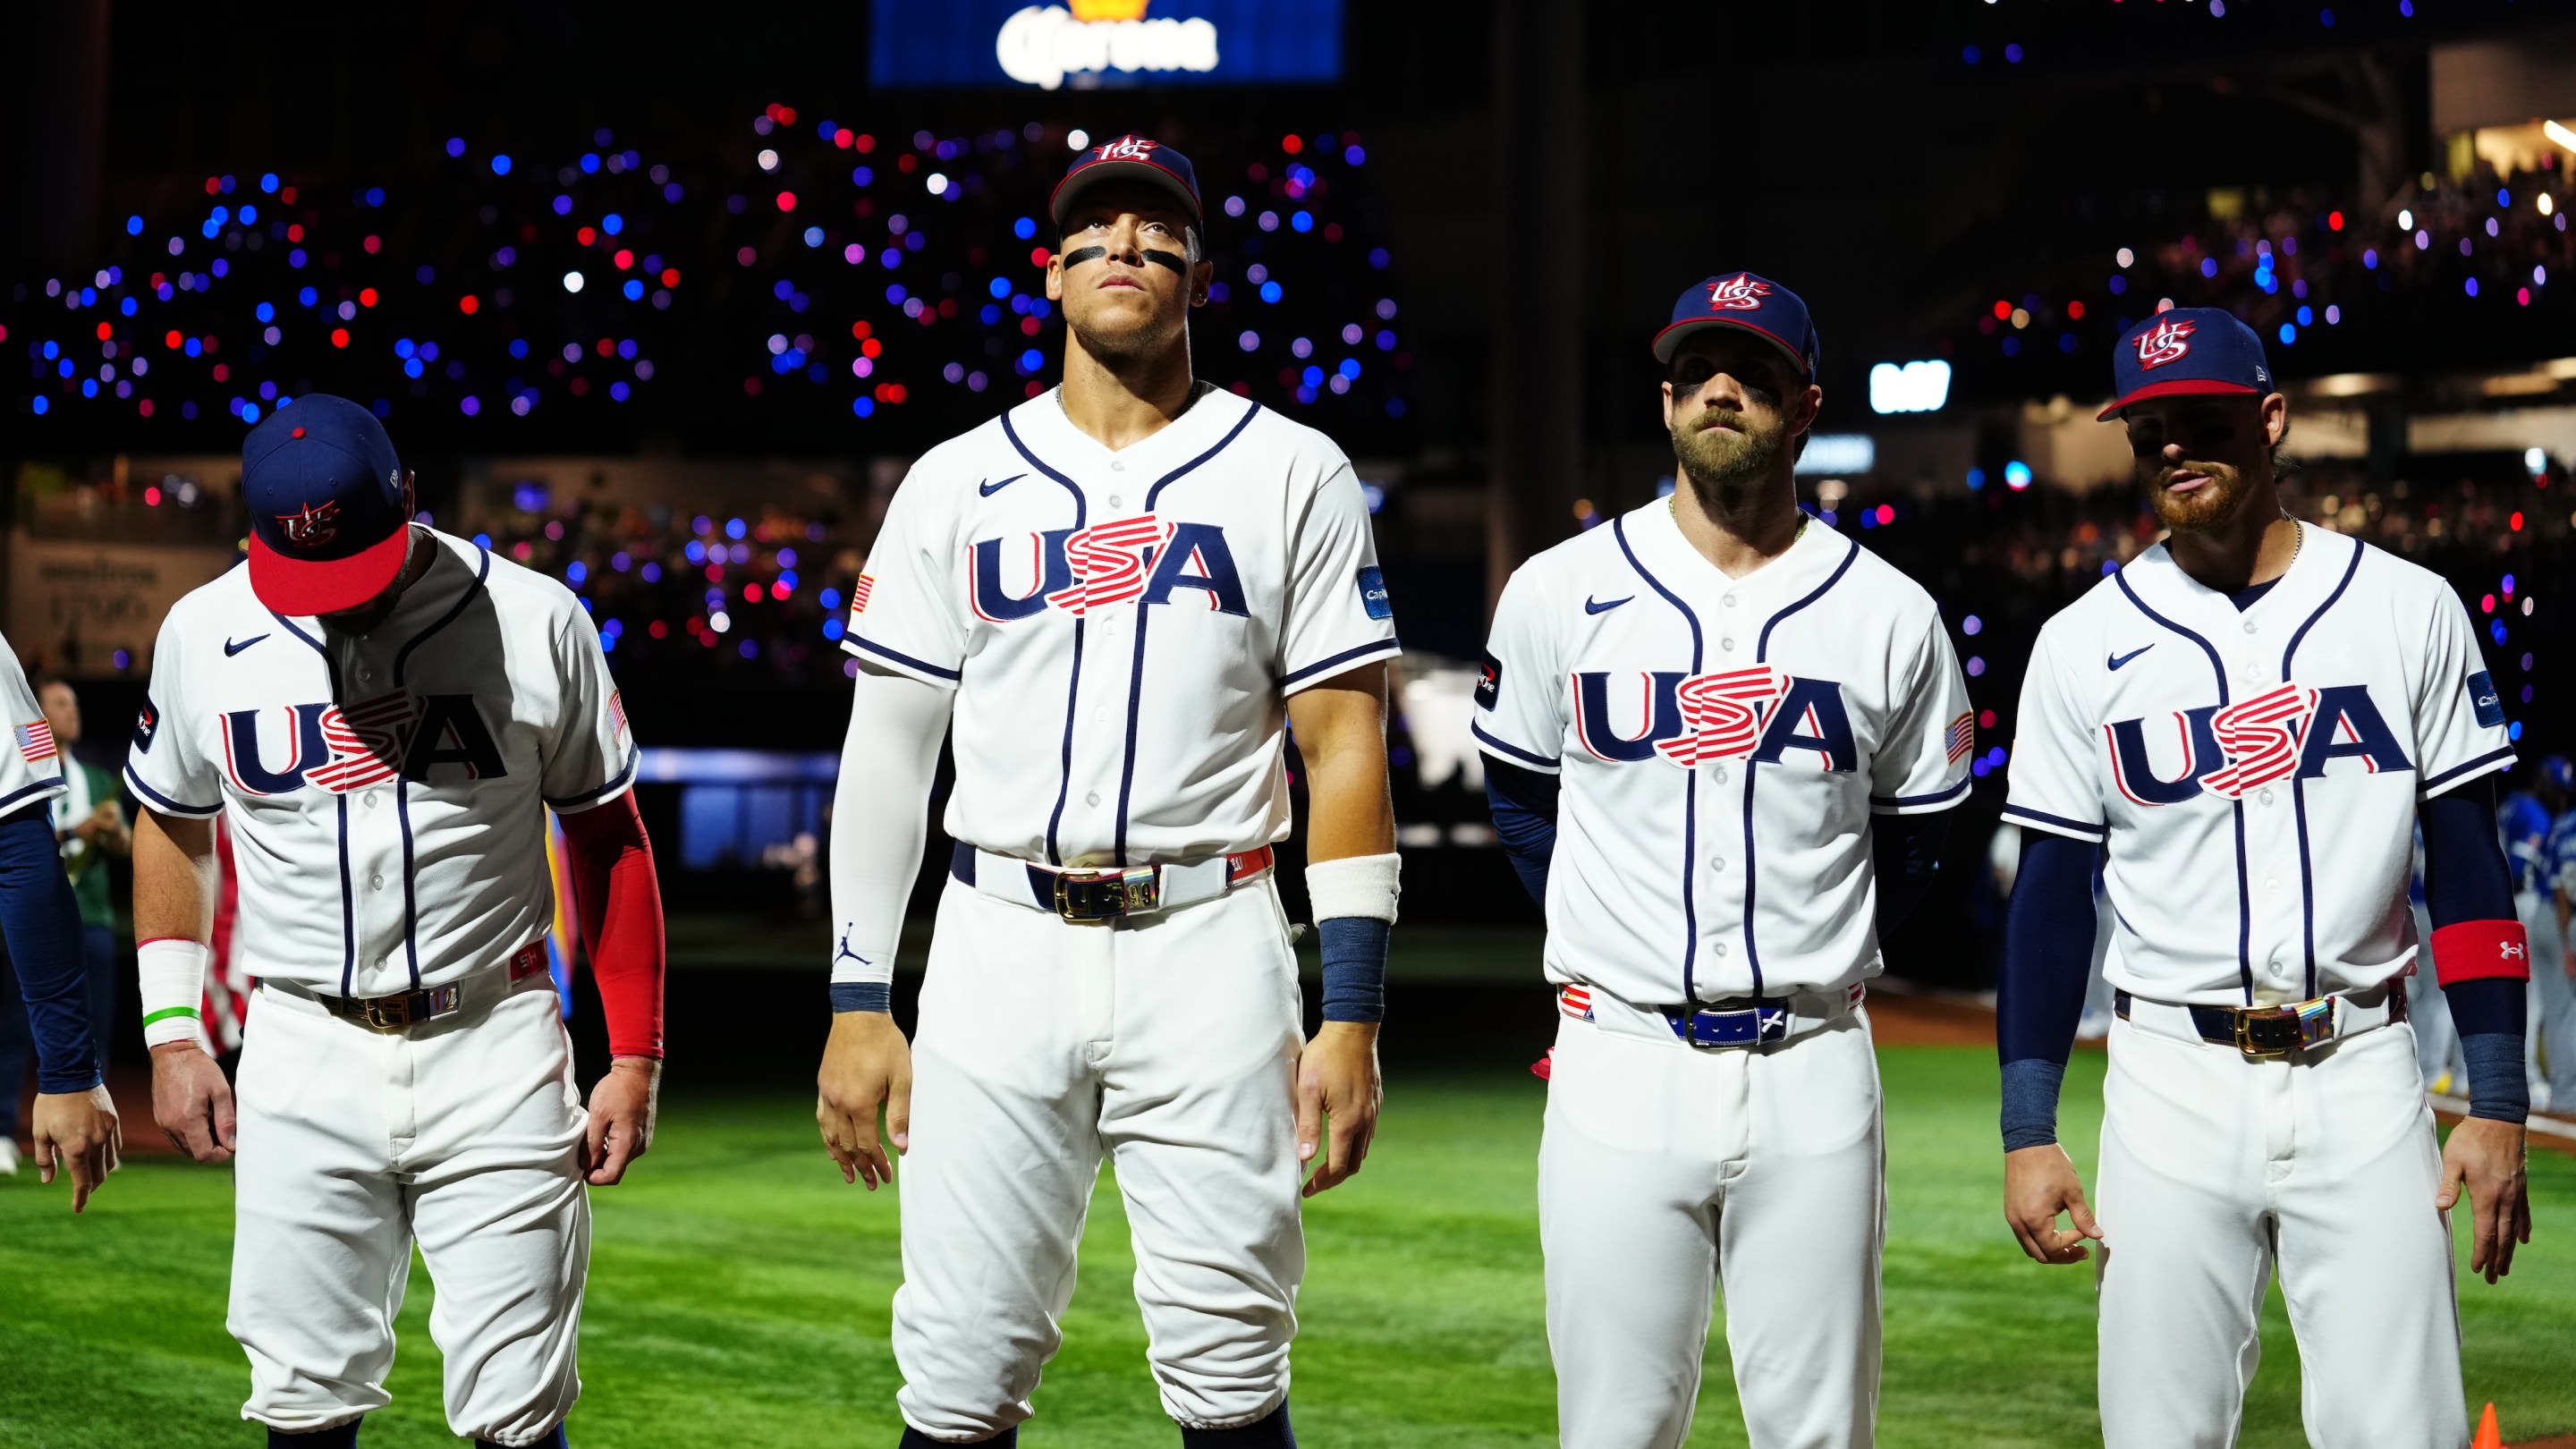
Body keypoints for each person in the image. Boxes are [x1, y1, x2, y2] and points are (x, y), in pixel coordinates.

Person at [813, 134, 1401, 1448]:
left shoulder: (1291, 469)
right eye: (1097, 230)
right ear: (1053, 269)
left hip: (1211, 936)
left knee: (1231, 1354)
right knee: (960, 1358)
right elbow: (890, 755)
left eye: (1156, 231)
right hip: (997, 942)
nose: (1125, 249)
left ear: (1200, 268)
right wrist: (860, 997)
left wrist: (1349, 1011)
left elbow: (1344, 749)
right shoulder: (954, 481)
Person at [1996, 309, 2529, 1447]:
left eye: (2204, 421)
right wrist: (2026, 1127)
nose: (2175, 449)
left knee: (2408, 1432)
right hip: (2170, 1084)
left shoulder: (2404, 608)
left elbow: (2470, 864)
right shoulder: (2080, 644)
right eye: (2150, 432)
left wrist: (2495, 1102)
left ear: (2272, 419)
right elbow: (2050, 897)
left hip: (2365, 1070)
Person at [1476, 273, 1970, 1448]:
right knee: (1614, 1428)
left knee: (1817, 1433)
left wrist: (1815, 940)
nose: (1721, 392)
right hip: (1619, 1053)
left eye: (1752, 374)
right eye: (1699, 370)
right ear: (1662, 398)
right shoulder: (1558, 591)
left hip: (1812, 1062)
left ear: (1805, 404)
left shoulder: (1889, 613)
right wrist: (1620, 937)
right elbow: (1519, 806)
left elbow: (1921, 840)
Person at [125, 394, 667, 1449]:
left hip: (494, 1038)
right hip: (299, 1039)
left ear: (409, 498)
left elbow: (609, 834)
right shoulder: (204, 630)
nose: (336, 603)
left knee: (518, 1409)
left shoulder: (534, 616)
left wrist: (635, 1056)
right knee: (300, 1398)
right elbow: (171, 822)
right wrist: (171, 1030)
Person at [0, 642, 121, 1205]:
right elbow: (23, 852)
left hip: (85, 914)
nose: (71, 712)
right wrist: (70, 1072)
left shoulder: (96, 778)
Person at [2509, 756, 2575, 1108]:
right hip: (2547, 910)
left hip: (2539, 912)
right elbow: (2527, 871)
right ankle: (2555, 1089)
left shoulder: (2554, 819)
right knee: (2555, 1009)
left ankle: (2561, 1092)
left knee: (2551, 1008)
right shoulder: (2541, 814)